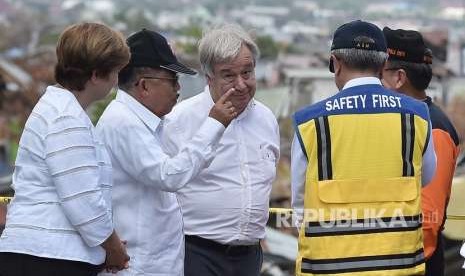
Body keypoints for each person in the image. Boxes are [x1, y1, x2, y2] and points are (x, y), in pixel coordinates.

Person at [291, 20, 436, 275]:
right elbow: (426, 176)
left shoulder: (309, 122)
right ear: (383, 65)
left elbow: (299, 205)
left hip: (328, 268)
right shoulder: (417, 115)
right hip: (399, 267)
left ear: (336, 63)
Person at [96, 29, 237, 276]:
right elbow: (168, 176)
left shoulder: (144, 122)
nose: (178, 89)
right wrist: (214, 123)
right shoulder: (123, 122)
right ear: (144, 86)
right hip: (137, 266)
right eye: (172, 80)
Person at [0, 22, 130, 276]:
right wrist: (112, 246)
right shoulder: (66, 118)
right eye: (115, 72)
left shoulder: (61, 109)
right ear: (95, 74)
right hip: (48, 257)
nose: (116, 81)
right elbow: (82, 199)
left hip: (45, 253)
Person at [162, 23, 280, 276]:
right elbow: (162, 188)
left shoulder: (267, 118)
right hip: (196, 253)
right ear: (209, 77)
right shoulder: (180, 120)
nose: (241, 84)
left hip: (249, 255)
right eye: (228, 75)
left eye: (247, 73)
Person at [382, 27, 460, 276]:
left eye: (379, 74)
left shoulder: (433, 127)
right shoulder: (406, 120)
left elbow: (429, 218)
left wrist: (397, 262)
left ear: (399, 78)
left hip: (415, 264)